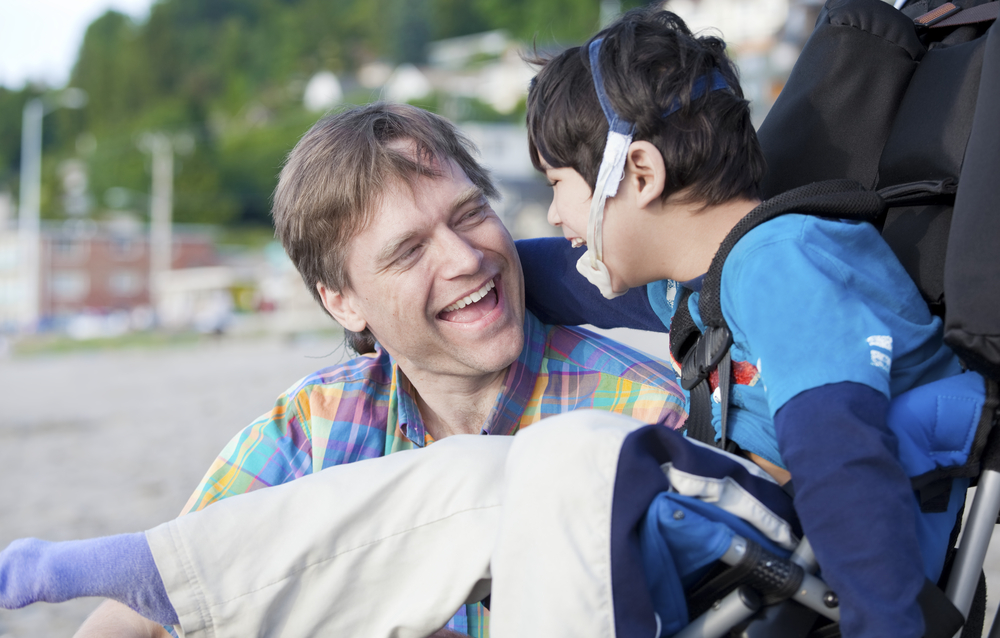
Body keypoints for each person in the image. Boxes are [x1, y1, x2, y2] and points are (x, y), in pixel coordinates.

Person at [47, 101, 686, 638]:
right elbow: (158, 601)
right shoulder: (312, 427)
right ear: (342, 301)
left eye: (469, 215)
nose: (466, 258)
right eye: (408, 251)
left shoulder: (646, 416)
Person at [515, 6, 971, 638]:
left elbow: (841, 457)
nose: (554, 215)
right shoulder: (697, 288)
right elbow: (549, 280)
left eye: (556, 184)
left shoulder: (781, 265)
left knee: (560, 457)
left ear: (640, 174)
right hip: (749, 526)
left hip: (790, 536)